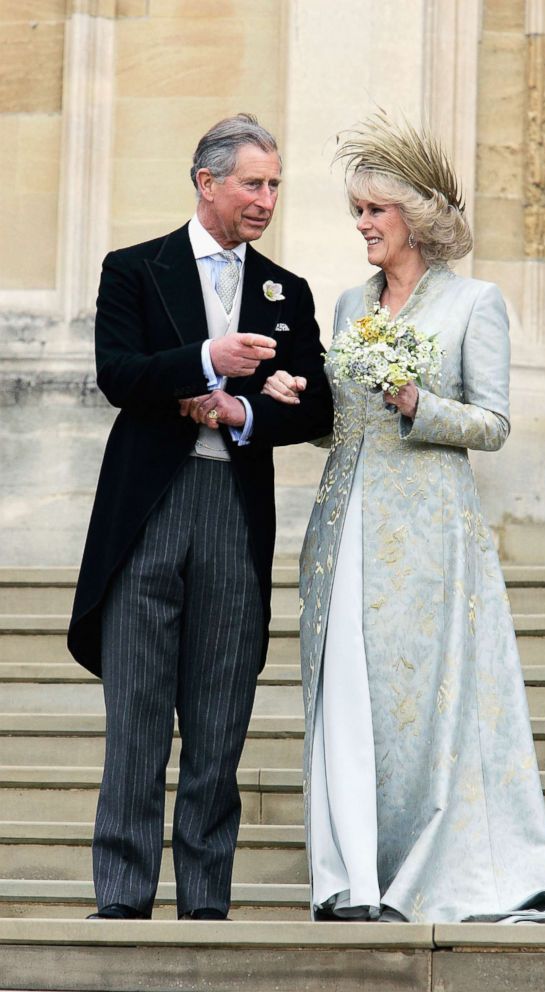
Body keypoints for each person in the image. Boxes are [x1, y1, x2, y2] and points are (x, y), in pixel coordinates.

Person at [261, 114, 545, 924]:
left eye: (375, 211)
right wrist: (294, 397)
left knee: (420, 702)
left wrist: (418, 403)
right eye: (357, 212)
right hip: (343, 526)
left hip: (431, 536)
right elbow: (341, 419)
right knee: (348, 696)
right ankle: (351, 878)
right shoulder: (344, 304)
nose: (362, 225)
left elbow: (495, 425)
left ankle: (424, 865)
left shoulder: (475, 302)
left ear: (417, 217)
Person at [68, 113, 333, 921]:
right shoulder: (134, 269)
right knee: (138, 719)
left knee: (220, 720)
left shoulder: (288, 289)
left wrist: (247, 410)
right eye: (252, 183)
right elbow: (118, 373)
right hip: (147, 510)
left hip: (232, 510)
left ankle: (207, 904)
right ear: (206, 182)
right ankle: (121, 901)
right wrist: (204, 362)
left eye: (274, 185)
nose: (265, 199)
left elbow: (316, 401)